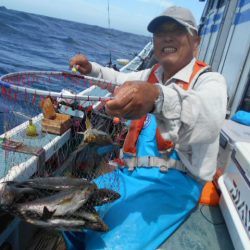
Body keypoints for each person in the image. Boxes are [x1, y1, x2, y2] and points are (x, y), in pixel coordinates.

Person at [64, 6, 227, 250]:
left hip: (173, 185)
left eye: (177, 31)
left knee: (110, 246)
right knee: (67, 213)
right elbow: (117, 81)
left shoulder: (210, 81)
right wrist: (93, 70)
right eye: (160, 33)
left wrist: (157, 97)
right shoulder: (151, 74)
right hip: (127, 175)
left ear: (196, 42)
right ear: (154, 42)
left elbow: (208, 117)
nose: (168, 37)